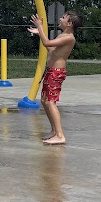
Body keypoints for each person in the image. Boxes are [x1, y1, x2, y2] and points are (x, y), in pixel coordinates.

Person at [27, 10, 82, 146]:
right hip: (51, 71)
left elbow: (47, 43)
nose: (60, 19)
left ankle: (60, 135)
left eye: (63, 17)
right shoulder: (63, 35)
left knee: (50, 102)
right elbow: (51, 50)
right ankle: (54, 131)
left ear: (69, 23)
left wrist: (40, 27)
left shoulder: (69, 37)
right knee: (45, 101)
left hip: (56, 73)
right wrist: (40, 34)